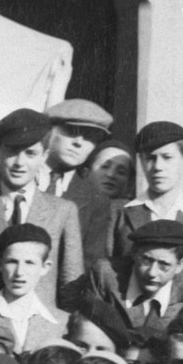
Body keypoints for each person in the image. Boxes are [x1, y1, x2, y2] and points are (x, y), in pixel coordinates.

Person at [0, 108, 85, 307]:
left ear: (44, 156)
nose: (20, 163)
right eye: (11, 151)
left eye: (30, 153)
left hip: (39, 329)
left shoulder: (62, 211)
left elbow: (71, 283)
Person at [60, 219, 183, 333]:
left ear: (180, 265)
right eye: (146, 260)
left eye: (164, 264)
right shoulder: (105, 274)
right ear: (134, 254)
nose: (152, 272)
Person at [110, 121, 183, 263]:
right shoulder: (119, 213)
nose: (158, 166)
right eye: (150, 158)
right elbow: (104, 274)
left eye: (167, 157)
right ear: (141, 161)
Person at [43, 99, 116, 266]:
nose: (78, 142)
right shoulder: (19, 177)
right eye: (71, 131)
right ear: (49, 131)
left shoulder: (96, 200)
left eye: (90, 137)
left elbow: (89, 263)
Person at [0, 224, 66, 352]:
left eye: (30, 263)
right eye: (12, 262)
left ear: (45, 267)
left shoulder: (62, 322)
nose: (19, 272)